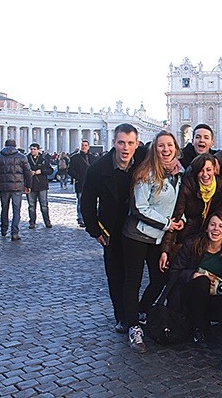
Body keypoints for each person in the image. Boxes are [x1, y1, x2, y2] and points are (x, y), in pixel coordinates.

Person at [121, 130, 184, 353]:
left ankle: (140, 311)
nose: (165, 150)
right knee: (133, 281)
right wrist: (168, 223)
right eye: (161, 146)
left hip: (158, 237)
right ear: (153, 149)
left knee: (160, 278)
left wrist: (180, 219)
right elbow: (139, 208)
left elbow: (177, 203)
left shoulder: (179, 172)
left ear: (176, 148)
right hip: (137, 235)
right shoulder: (146, 173)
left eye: (169, 146)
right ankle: (133, 325)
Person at [81, 123, 146, 335]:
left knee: (135, 275)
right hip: (112, 229)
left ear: (137, 144)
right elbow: (87, 203)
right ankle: (122, 317)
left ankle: (137, 312)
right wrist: (95, 231)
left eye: (130, 143)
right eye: (121, 143)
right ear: (114, 143)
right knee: (116, 275)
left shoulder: (144, 161)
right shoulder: (97, 169)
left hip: (138, 228)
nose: (125, 148)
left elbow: (168, 151)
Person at [170, 213, 222, 343]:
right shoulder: (192, 244)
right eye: (212, 225)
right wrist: (193, 274)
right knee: (202, 281)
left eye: (221, 226)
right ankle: (198, 327)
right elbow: (175, 271)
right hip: (190, 294)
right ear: (206, 228)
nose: (216, 229)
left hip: (215, 296)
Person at [161, 153, 222, 259]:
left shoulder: (219, 185)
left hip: (207, 236)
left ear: (214, 170)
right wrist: (165, 250)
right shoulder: (187, 186)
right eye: (201, 170)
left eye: (208, 170)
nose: (205, 174)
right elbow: (176, 216)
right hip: (187, 235)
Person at [0, 139, 33, 241]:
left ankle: (4, 229)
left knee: (4, 208)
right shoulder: (22, 157)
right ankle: (14, 232)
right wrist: (28, 186)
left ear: (5, 145)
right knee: (16, 210)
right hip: (17, 187)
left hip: (4, 187)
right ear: (15, 146)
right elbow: (28, 173)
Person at [69, 139, 97, 227]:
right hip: (80, 183)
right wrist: (78, 177)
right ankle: (80, 219)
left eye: (85, 145)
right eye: (82, 145)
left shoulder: (93, 158)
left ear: (88, 147)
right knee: (80, 202)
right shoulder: (74, 157)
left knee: (92, 202)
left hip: (92, 184)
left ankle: (92, 219)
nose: (84, 147)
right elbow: (70, 170)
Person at [26, 143, 54, 229]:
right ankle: (32, 222)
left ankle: (47, 221)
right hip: (30, 184)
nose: (33, 151)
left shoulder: (44, 159)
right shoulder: (26, 159)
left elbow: (50, 170)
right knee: (31, 205)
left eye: (34, 149)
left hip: (42, 185)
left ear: (38, 150)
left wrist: (41, 171)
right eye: (31, 149)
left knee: (44, 204)